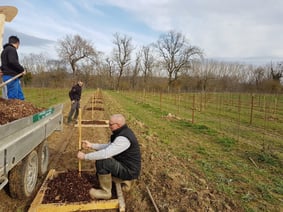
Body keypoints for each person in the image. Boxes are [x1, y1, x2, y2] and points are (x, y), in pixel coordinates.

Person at [77, 114, 141, 200]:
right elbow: (109, 146)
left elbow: (106, 153)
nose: (109, 126)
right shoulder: (122, 132)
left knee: (103, 162)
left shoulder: (123, 138)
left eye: (110, 124)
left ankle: (105, 192)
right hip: (124, 165)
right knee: (103, 161)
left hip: (129, 171)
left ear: (118, 125)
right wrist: (91, 145)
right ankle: (113, 182)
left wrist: (85, 156)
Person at [1, 35, 26, 100]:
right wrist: (22, 69)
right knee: (13, 97)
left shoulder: (4, 51)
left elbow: (5, 64)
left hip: (11, 76)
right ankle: (13, 110)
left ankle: (23, 109)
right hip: (11, 76)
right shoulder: (12, 49)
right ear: (17, 43)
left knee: (20, 96)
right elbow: (12, 61)